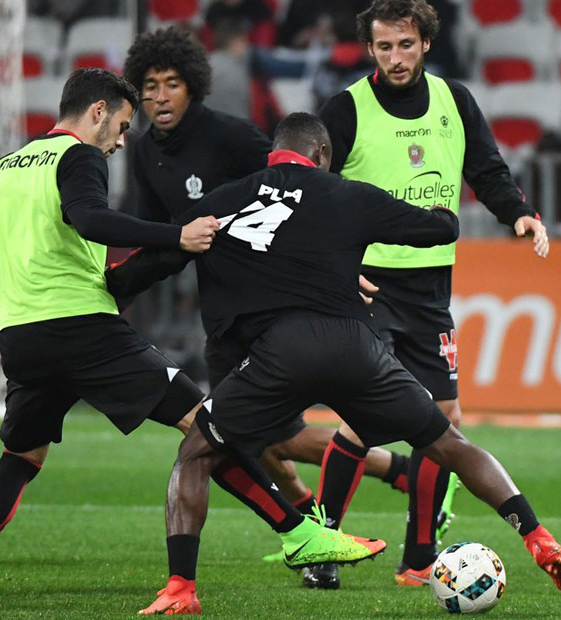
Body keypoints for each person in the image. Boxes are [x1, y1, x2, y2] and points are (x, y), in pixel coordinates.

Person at [0, 68, 378, 609]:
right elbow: (90, 219)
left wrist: (27, 226)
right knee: (207, 425)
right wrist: (177, 234)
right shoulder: (78, 156)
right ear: (97, 113)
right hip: (82, 326)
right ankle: (300, 534)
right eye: (122, 125)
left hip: (19, 334)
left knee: (20, 455)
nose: (123, 140)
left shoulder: (14, 163)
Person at [119, 113, 561, 614]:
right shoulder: (348, 194)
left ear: (273, 152)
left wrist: (106, 289)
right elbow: (437, 230)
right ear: (322, 156)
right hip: (356, 346)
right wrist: (436, 211)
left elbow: (157, 258)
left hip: (278, 355)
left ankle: (182, 588)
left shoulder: (222, 202)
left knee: (196, 454)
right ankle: (537, 536)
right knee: (449, 442)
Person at [123, 31, 417, 584]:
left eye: (172, 85)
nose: (160, 98)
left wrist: (336, 267)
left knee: (250, 434)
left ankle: (377, 484)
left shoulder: (232, 137)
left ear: (194, 88)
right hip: (222, 310)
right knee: (256, 437)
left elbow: (300, 194)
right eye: (149, 88)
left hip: (272, 307)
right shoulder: (142, 152)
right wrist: (114, 286)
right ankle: (329, 516)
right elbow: (151, 233)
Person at [317, 0, 550, 587]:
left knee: (442, 416)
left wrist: (517, 213)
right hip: (367, 283)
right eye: (383, 46)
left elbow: (487, 169)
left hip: (429, 286)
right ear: (369, 49)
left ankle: (418, 558)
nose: (395, 57)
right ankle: (321, 551)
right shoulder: (345, 109)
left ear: (425, 43)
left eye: (405, 44)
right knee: (364, 420)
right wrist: (336, 268)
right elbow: (313, 197)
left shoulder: (455, 101)